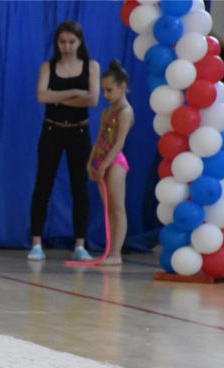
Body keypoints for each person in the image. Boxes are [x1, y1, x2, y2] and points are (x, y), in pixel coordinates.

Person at [28, 20, 100, 261]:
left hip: (79, 132)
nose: (67, 47)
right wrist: (75, 93)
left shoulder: (91, 66)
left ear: (80, 42)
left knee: (80, 188)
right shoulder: (48, 67)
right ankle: (36, 243)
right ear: (56, 43)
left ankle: (80, 245)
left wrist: (57, 97)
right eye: (62, 42)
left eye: (71, 42)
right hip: (52, 130)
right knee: (43, 185)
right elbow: (41, 96)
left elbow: (92, 100)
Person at [87, 60, 135, 266]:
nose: (105, 95)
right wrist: (90, 163)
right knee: (108, 209)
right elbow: (99, 138)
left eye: (109, 90)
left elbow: (119, 142)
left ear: (122, 87)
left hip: (114, 162)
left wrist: (105, 165)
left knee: (117, 208)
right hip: (101, 162)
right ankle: (109, 252)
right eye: (103, 91)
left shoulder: (125, 111)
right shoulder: (107, 112)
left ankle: (116, 254)